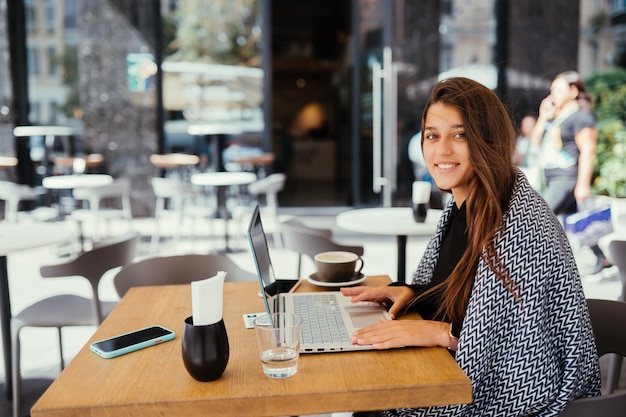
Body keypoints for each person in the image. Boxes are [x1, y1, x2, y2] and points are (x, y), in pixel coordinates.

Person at [340, 77, 600, 416]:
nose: (441, 150)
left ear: (487, 139)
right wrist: (415, 293)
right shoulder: (464, 205)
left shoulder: (519, 225)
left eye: (459, 135)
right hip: (452, 371)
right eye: (432, 135)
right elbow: (471, 297)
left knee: (368, 397)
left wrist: (441, 333)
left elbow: (519, 350)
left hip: (509, 401)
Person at [529, 70, 611, 274]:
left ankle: (535, 266)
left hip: (566, 178)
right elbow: (535, 142)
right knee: (580, 222)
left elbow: (588, 151)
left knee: (538, 218)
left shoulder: (581, 117)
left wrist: (582, 184)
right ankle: (603, 258)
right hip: (553, 177)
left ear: (573, 91)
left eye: (557, 89)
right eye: (551, 90)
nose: (552, 94)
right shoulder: (556, 119)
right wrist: (542, 117)